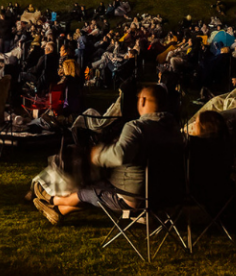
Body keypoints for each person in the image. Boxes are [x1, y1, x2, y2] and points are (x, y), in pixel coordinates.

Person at [33, 85, 182, 225]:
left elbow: (119, 155)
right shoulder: (174, 130)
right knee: (97, 188)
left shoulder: (136, 128)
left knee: (87, 190)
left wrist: (96, 155)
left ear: (142, 101)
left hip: (134, 199)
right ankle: (58, 210)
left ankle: (53, 200)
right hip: (167, 196)